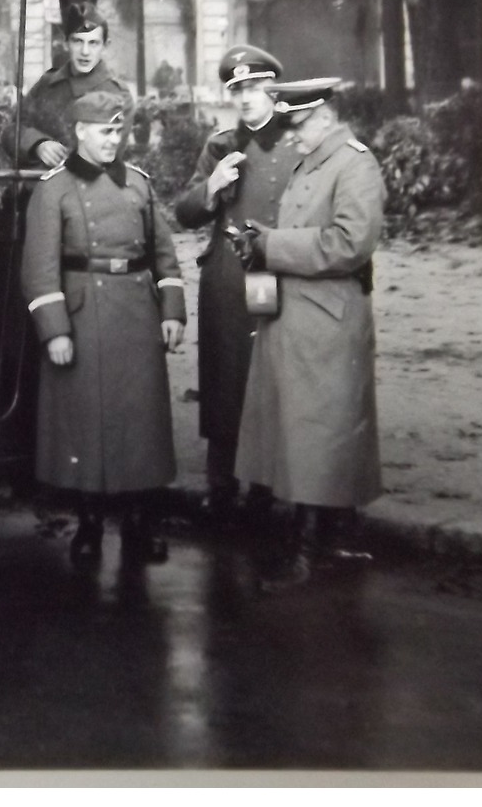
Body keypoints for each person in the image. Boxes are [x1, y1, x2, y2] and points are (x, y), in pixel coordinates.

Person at [21, 91, 186, 567]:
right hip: (83, 313)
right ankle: (89, 524)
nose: (113, 140)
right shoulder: (53, 189)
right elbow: (39, 269)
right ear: (79, 132)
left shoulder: (138, 185)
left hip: (136, 311)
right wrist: (54, 330)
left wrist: (172, 310)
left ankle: (139, 522)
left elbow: (164, 254)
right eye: (103, 131)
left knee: (138, 421)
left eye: (118, 131)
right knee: (86, 425)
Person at [234, 77, 386, 591]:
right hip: (293, 317)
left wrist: (272, 245)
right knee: (302, 431)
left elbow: (350, 243)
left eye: (297, 125)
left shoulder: (355, 164)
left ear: (324, 117)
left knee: (317, 433)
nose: (292, 136)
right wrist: (257, 249)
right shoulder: (312, 160)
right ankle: (327, 540)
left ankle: (310, 550)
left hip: (327, 320)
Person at [172, 46, 295, 529]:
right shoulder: (221, 145)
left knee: (261, 370)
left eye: (254, 87)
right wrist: (211, 188)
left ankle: (261, 487)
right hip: (225, 272)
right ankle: (220, 484)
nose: (246, 98)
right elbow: (183, 212)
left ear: (272, 88)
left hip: (267, 268)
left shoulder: (292, 143)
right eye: (237, 89)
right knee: (223, 373)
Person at [2, 3, 132, 169]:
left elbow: (112, 154)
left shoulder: (118, 94)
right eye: (77, 41)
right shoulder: (47, 85)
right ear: (65, 43)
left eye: (93, 43)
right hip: (38, 189)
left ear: (105, 47)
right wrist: (38, 145)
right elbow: (12, 131)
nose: (85, 52)